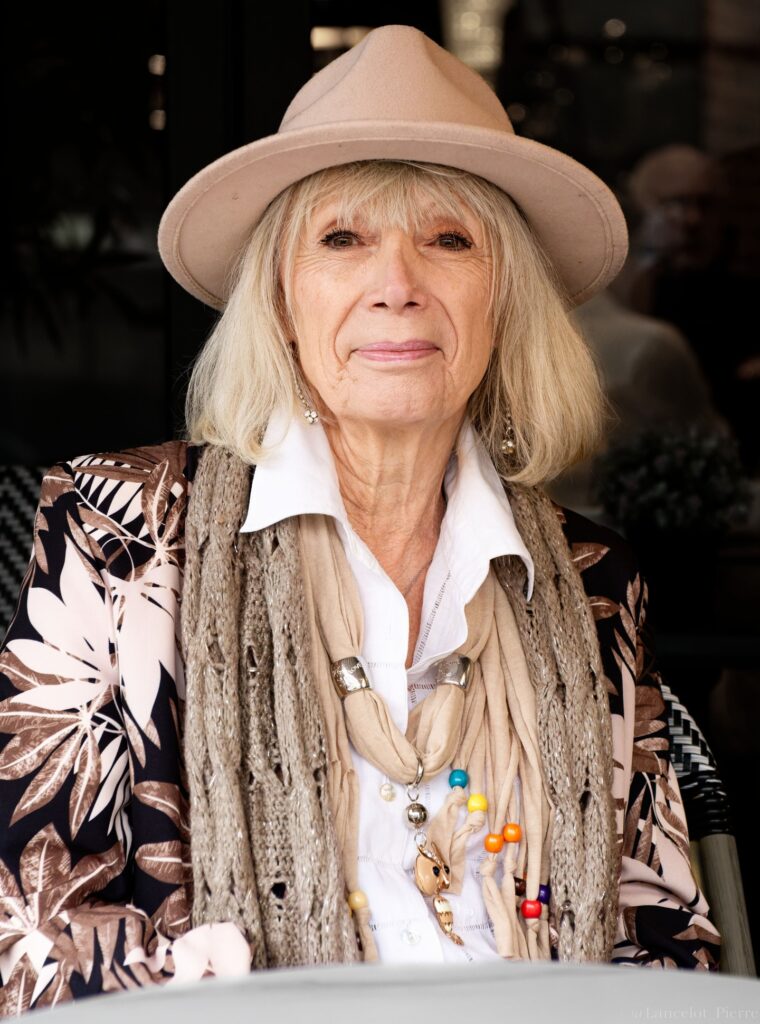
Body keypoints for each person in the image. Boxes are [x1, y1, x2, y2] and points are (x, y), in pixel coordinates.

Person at [0, 24, 720, 1014]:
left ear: (503, 299)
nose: (397, 285)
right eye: (342, 239)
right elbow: (30, 923)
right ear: (281, 302)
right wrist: (183, 984)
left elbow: (664, 934)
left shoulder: (592, 578)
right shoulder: (114, 528)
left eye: (448, 240)